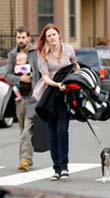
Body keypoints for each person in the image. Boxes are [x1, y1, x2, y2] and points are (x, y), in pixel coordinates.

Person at [33, 23, 78, 181]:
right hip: (49, 94)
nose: (52, 38)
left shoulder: (68, 49)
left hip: (65, 95)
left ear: (59, 35)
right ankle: (56, 168)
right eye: (48, 36)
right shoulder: (42, 54)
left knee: (62, 131)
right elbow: (45, 77)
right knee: (52, 134)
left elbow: (75, 66)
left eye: (54, 34)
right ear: (46, 39)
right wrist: (57, 84)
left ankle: (64, 167)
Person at [5, 26, 40, 171]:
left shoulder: (35, 52)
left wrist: (32, 80)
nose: (20, 40)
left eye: (23, 37)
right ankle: (26, 159)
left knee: (27, 130)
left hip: (33, 97)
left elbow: (40, 71)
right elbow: (7, 75)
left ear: (28, 37)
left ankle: (24, 160)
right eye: (18, 37)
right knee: (23, 130)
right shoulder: (12, 54)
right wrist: (21, 79)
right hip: (19, 98)